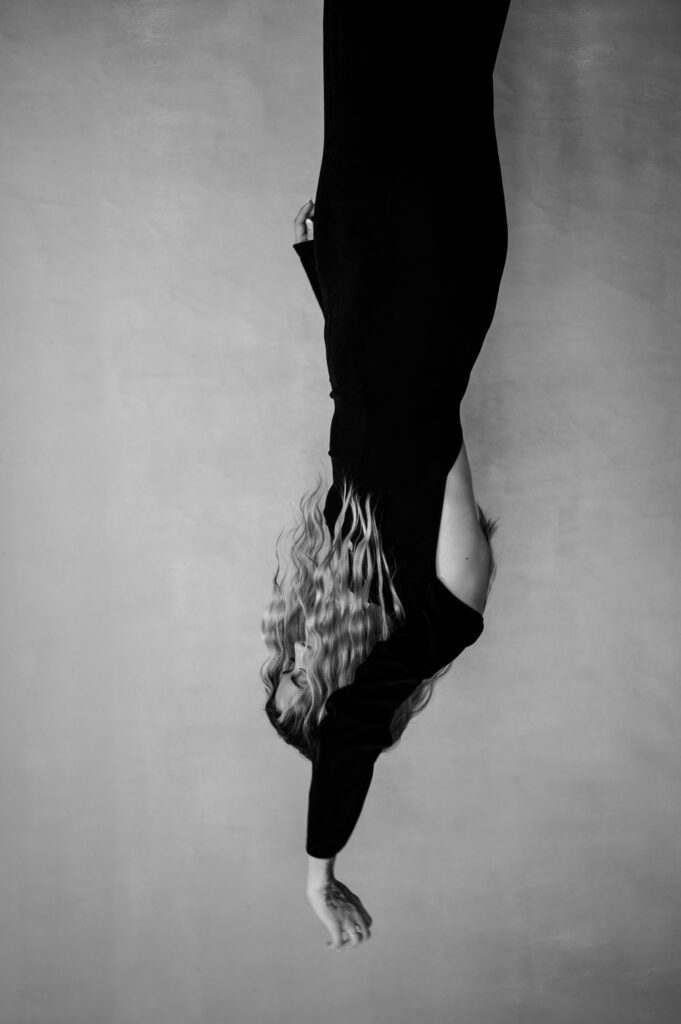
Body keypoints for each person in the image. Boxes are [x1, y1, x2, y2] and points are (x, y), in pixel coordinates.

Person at [261, 0, 512, 951]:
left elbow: (351, 733)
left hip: (430, 264)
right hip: (365, 255)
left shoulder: (440, 606)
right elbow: (359, 389)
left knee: (439, 49)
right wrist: (322, 267)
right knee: (377, 36)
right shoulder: (350, 512)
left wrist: (319, 870)